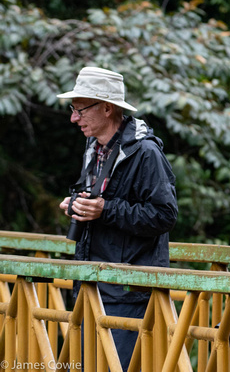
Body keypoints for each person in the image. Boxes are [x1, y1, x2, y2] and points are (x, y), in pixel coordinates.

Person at [57, 66, 178, 371]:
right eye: (73, 109)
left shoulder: (146, 152)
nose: (74, 118)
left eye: (80, 109)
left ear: (107, 108)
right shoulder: (94, 147)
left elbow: (165, 215)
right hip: (91, 284)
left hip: (128, 292)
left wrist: (104, 210)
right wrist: (77, 205)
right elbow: (99, 199)